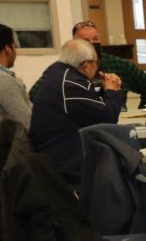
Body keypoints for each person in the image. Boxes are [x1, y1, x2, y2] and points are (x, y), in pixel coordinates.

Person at [27, 39, 123, 184]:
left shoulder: (60, 74)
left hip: (53, 153)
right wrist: (112, 91)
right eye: (96, 63)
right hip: (64, 162)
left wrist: (104, 90)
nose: (98, 68)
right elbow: (107, 119)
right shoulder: (71, 83)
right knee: (126, 158)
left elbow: (90, 112)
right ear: (86, 65)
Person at [35, 20, 146, 109]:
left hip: (117, 123)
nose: (91, 44)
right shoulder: (62, 68)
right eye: (85, 41)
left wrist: (144, 112)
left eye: (95, 39)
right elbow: (35, 95)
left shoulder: (119, 64)